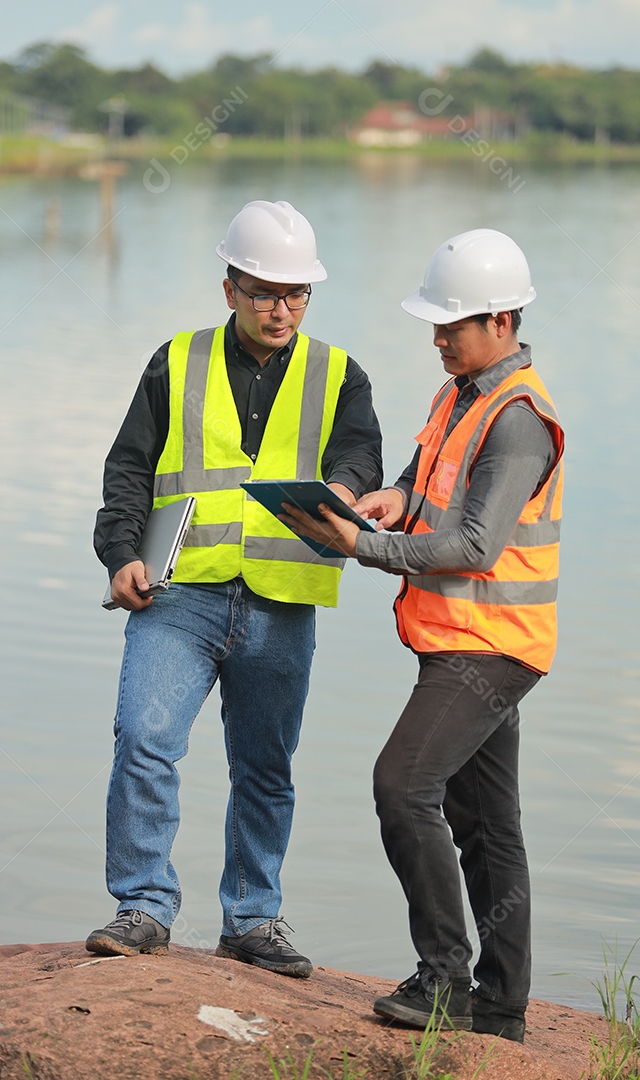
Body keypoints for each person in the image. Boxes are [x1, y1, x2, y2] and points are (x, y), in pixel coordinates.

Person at [87, 200, 383, 977]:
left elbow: (360, 458)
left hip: (282, 601)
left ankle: (252, 919)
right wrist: (120, 553)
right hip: (177, 593)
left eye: (295, 294)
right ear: (229, 289)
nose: (280, 308)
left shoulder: (339, 373)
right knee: (144, 738)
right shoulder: (174, 361)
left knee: (265, 764)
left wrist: (348, 489)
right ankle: (144, 906)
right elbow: (129, 469)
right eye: (262, 291)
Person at [280, 229, 563, 1035]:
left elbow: (476, 545)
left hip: (493, 646)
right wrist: (393, 500)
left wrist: (360, 544)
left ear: (503, 321)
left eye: (454, 325)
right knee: (485, 822)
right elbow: (421, 478)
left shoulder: (518, 419)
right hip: (460, 639)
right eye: (435, 324)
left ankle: (444, 980)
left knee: (402, 786)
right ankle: (502, 1007)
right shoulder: (461, 392)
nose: (439, 338)